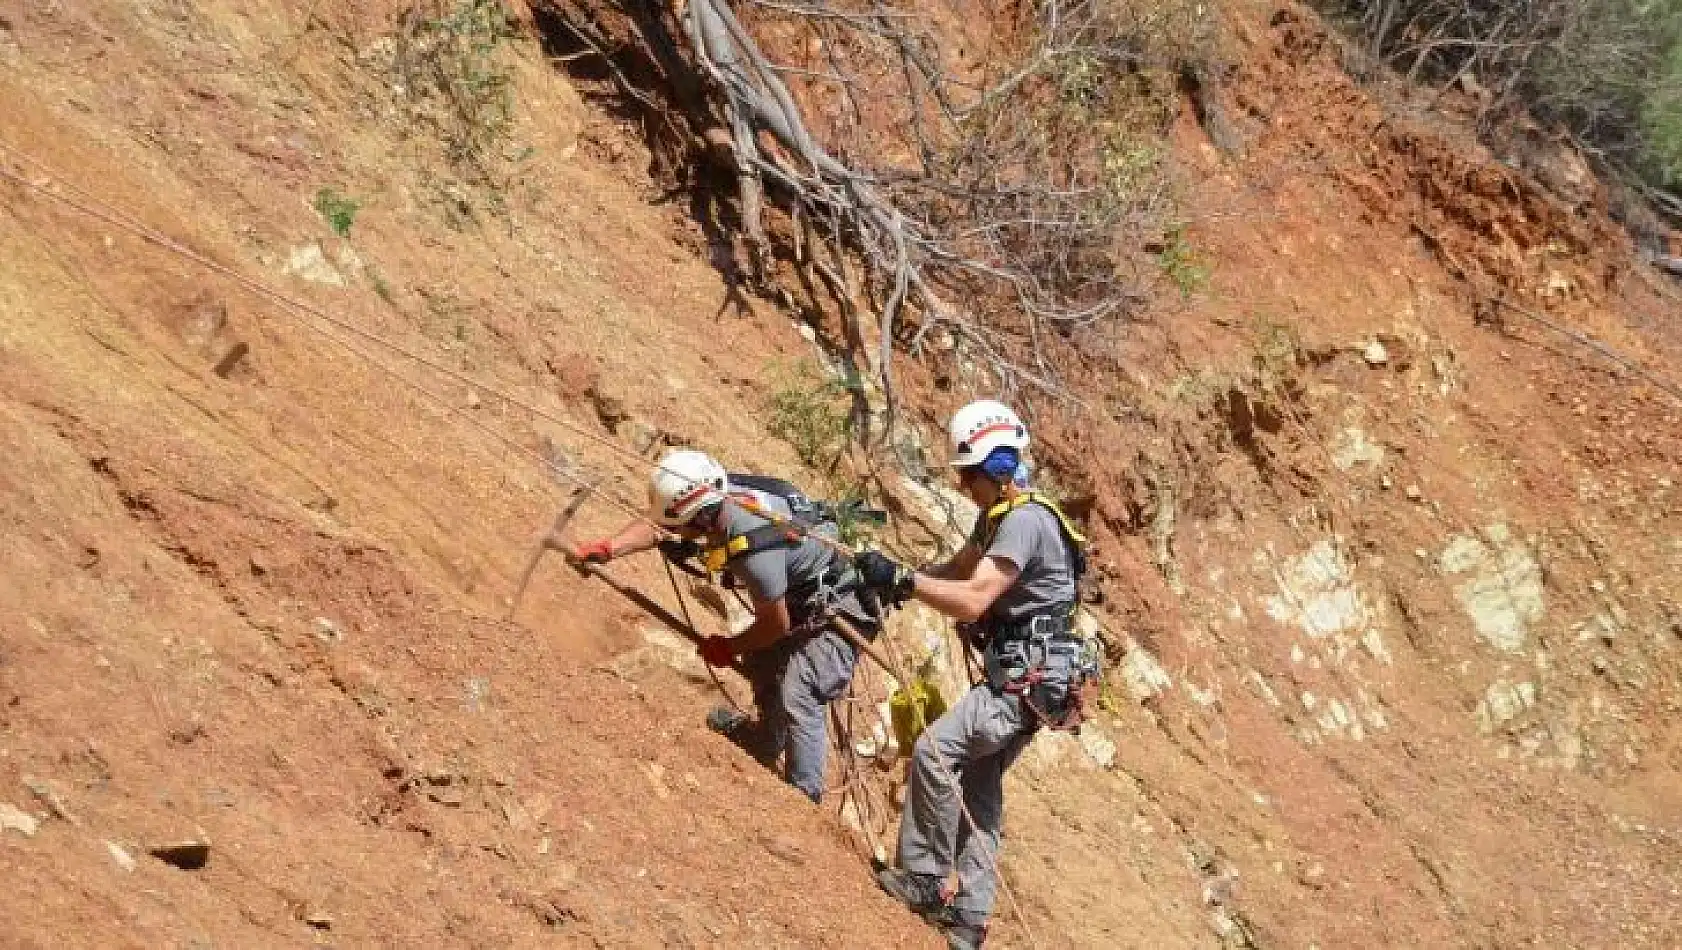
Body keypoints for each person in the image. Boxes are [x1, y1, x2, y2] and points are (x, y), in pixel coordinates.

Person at [853, 400, 1094, 950]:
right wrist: (897, 579)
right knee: (980, 792)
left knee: (936, 752)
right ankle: (969, 919)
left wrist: (907, 584)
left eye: (969, 476)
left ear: (999, 470)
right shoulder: (999, 519)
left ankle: (925, 880)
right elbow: (959, 571)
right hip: (1034, 677)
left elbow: (973, 598)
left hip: (1026, 678)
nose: (963, 486)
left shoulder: (1026, 523)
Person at [567, 449, 878, 803]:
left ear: (702, 521)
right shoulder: (716, 491)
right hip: (799, 592)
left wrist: (729, 647)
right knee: (762, 662)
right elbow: (659, 525)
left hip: (843, 606)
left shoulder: (753, 550)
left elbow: (775, 625)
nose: (674, 532)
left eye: (681, 527)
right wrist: (610, 548)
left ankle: (804, 798)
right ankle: (765, 741)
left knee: (801, 687)